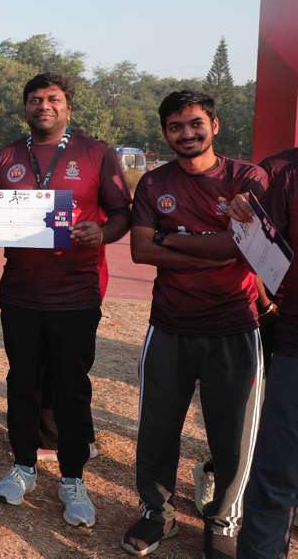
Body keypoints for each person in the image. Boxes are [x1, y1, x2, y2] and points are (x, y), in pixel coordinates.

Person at [0, 72, 131, 528]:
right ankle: (23, 465)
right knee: (22, 382)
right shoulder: (4, 158)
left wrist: (102, 233)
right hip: (21, 292)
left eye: (53, 99)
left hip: (76, 292)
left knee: (71, 387)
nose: (44, 106)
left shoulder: (96, 153)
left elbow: (122, 213)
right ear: (25, 107)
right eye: (36, 99)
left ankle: (73, 477)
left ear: (68, 106)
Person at [122, 91, 266, 558]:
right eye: (176, 127)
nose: (187, 134)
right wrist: (216, 247)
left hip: (234, 322)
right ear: (165, 132)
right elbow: (142, 250)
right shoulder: (153, 183)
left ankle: (224, 519)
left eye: (195, 123)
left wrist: (172, 238)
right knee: (158, 427)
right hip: (170, 324)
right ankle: (156, 513)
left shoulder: (247, 178)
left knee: (233, 433)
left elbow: (242, 246)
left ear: (215, 125)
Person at [235, 156, 298, 557]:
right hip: (296, 340)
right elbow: (256, 249)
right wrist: (243, 210)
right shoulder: (283, 172)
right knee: (278, 469)